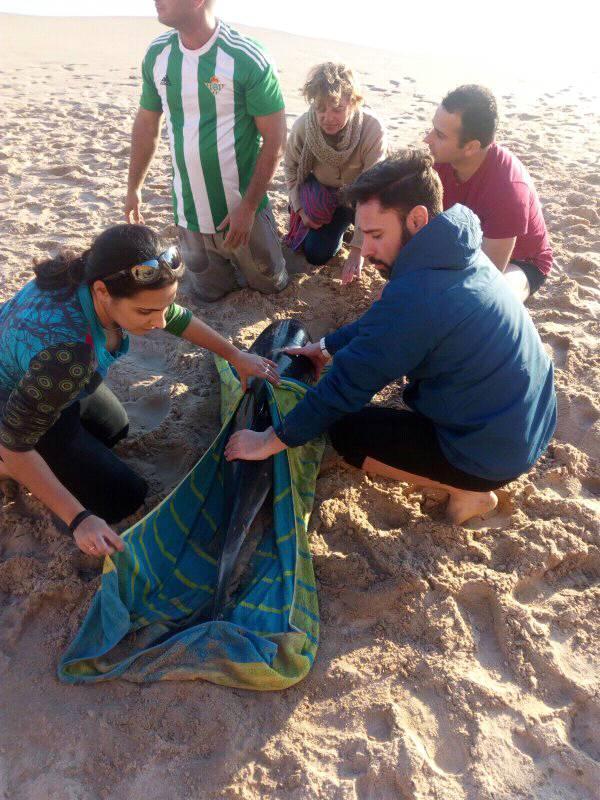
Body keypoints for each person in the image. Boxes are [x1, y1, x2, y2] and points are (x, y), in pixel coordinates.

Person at [224, 151, 557, 525]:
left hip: (491, 454)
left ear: (417, 219)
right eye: (361, 234)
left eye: (376, 235)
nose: (365, 250)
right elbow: (385, 322)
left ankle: (470, 492)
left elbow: (344, 387)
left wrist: (270, 439)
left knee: (347, 433)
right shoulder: (454, 248)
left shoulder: (418, 296)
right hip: (530, 422)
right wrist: (325, 348)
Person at [0, 224, 280, 558]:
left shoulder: (89, 273)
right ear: (102, 292)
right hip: (14, 403)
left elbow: (171, 315)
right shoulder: (69, 355)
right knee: (122, 498)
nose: (159, 322)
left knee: (115, 429)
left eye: (165, 304)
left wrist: (234, 355)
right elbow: (14, 443)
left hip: (42, 379)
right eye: (145, 312)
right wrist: (79, 520)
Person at [125, 0, 288, 302]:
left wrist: (249, 207)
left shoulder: (246, 57)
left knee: (272, 285)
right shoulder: (158, 54)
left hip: (242, 214)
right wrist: (133, 187)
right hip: (189, 215)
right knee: (208, 294)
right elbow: (147, 124)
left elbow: (276, 139)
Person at [424, 84, 553, 302]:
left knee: (484, 303)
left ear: (471, 147)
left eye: (439, 135)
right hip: (462, 244)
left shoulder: (507, 189)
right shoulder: (440, 161)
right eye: (432, 128)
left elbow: (486, 275)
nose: (427, 139)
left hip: (518, 261)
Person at [283, 61, 387, 284]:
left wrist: (357, 250)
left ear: (353, 102)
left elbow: (373, 191)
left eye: (337, 109)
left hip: (360, 197)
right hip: (326, 196)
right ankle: (338, 226)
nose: (328, 118)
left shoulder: (372, 130)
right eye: (320, 108)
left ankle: (354, 228)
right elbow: (291, 169)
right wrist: (301, 210)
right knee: (316, 253)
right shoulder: (303, 127)